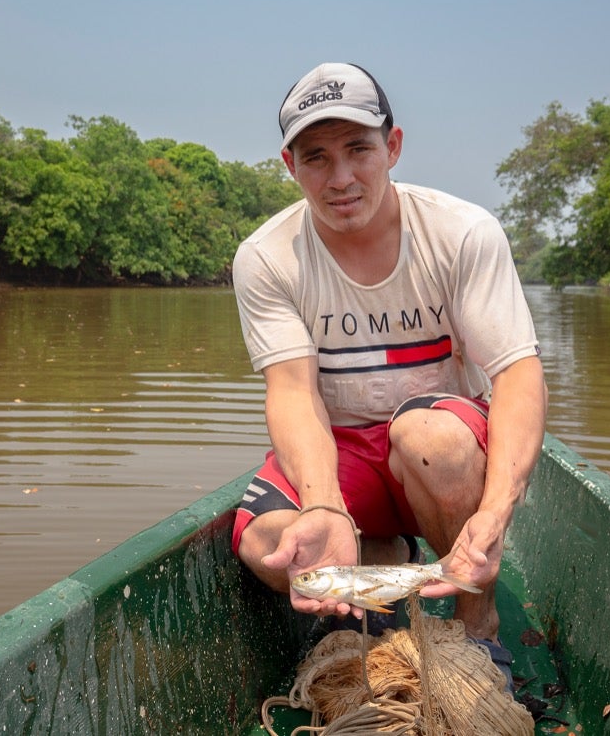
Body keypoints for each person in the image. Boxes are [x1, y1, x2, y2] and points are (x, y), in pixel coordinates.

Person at [231, 62, 547, 683]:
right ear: (290, 167)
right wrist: (324, 505)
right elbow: (294, 394)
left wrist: (497, 511)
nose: (341, 177)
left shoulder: (461, 232)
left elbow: (516, 373)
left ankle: (477, 628)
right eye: (316, 157)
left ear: (393, 147)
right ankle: (389, 557)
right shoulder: (266, 257)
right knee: (268, 546)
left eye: (358, 149)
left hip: (439, 448)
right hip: (345, 449)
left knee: (430, 439)